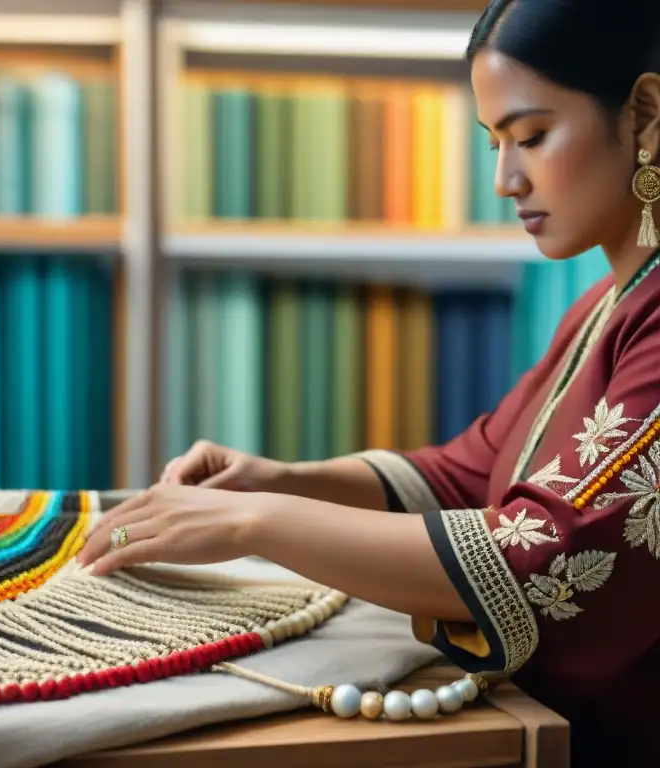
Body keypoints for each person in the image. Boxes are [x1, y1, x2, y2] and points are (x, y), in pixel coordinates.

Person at [78, 0, 660, 764]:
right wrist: (280, 480)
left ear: (645, 115)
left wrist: (257, 526)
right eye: (493, 143)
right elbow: (471, 470)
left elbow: (546, 555)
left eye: (532, 137)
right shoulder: (606, 306)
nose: (504, 181)